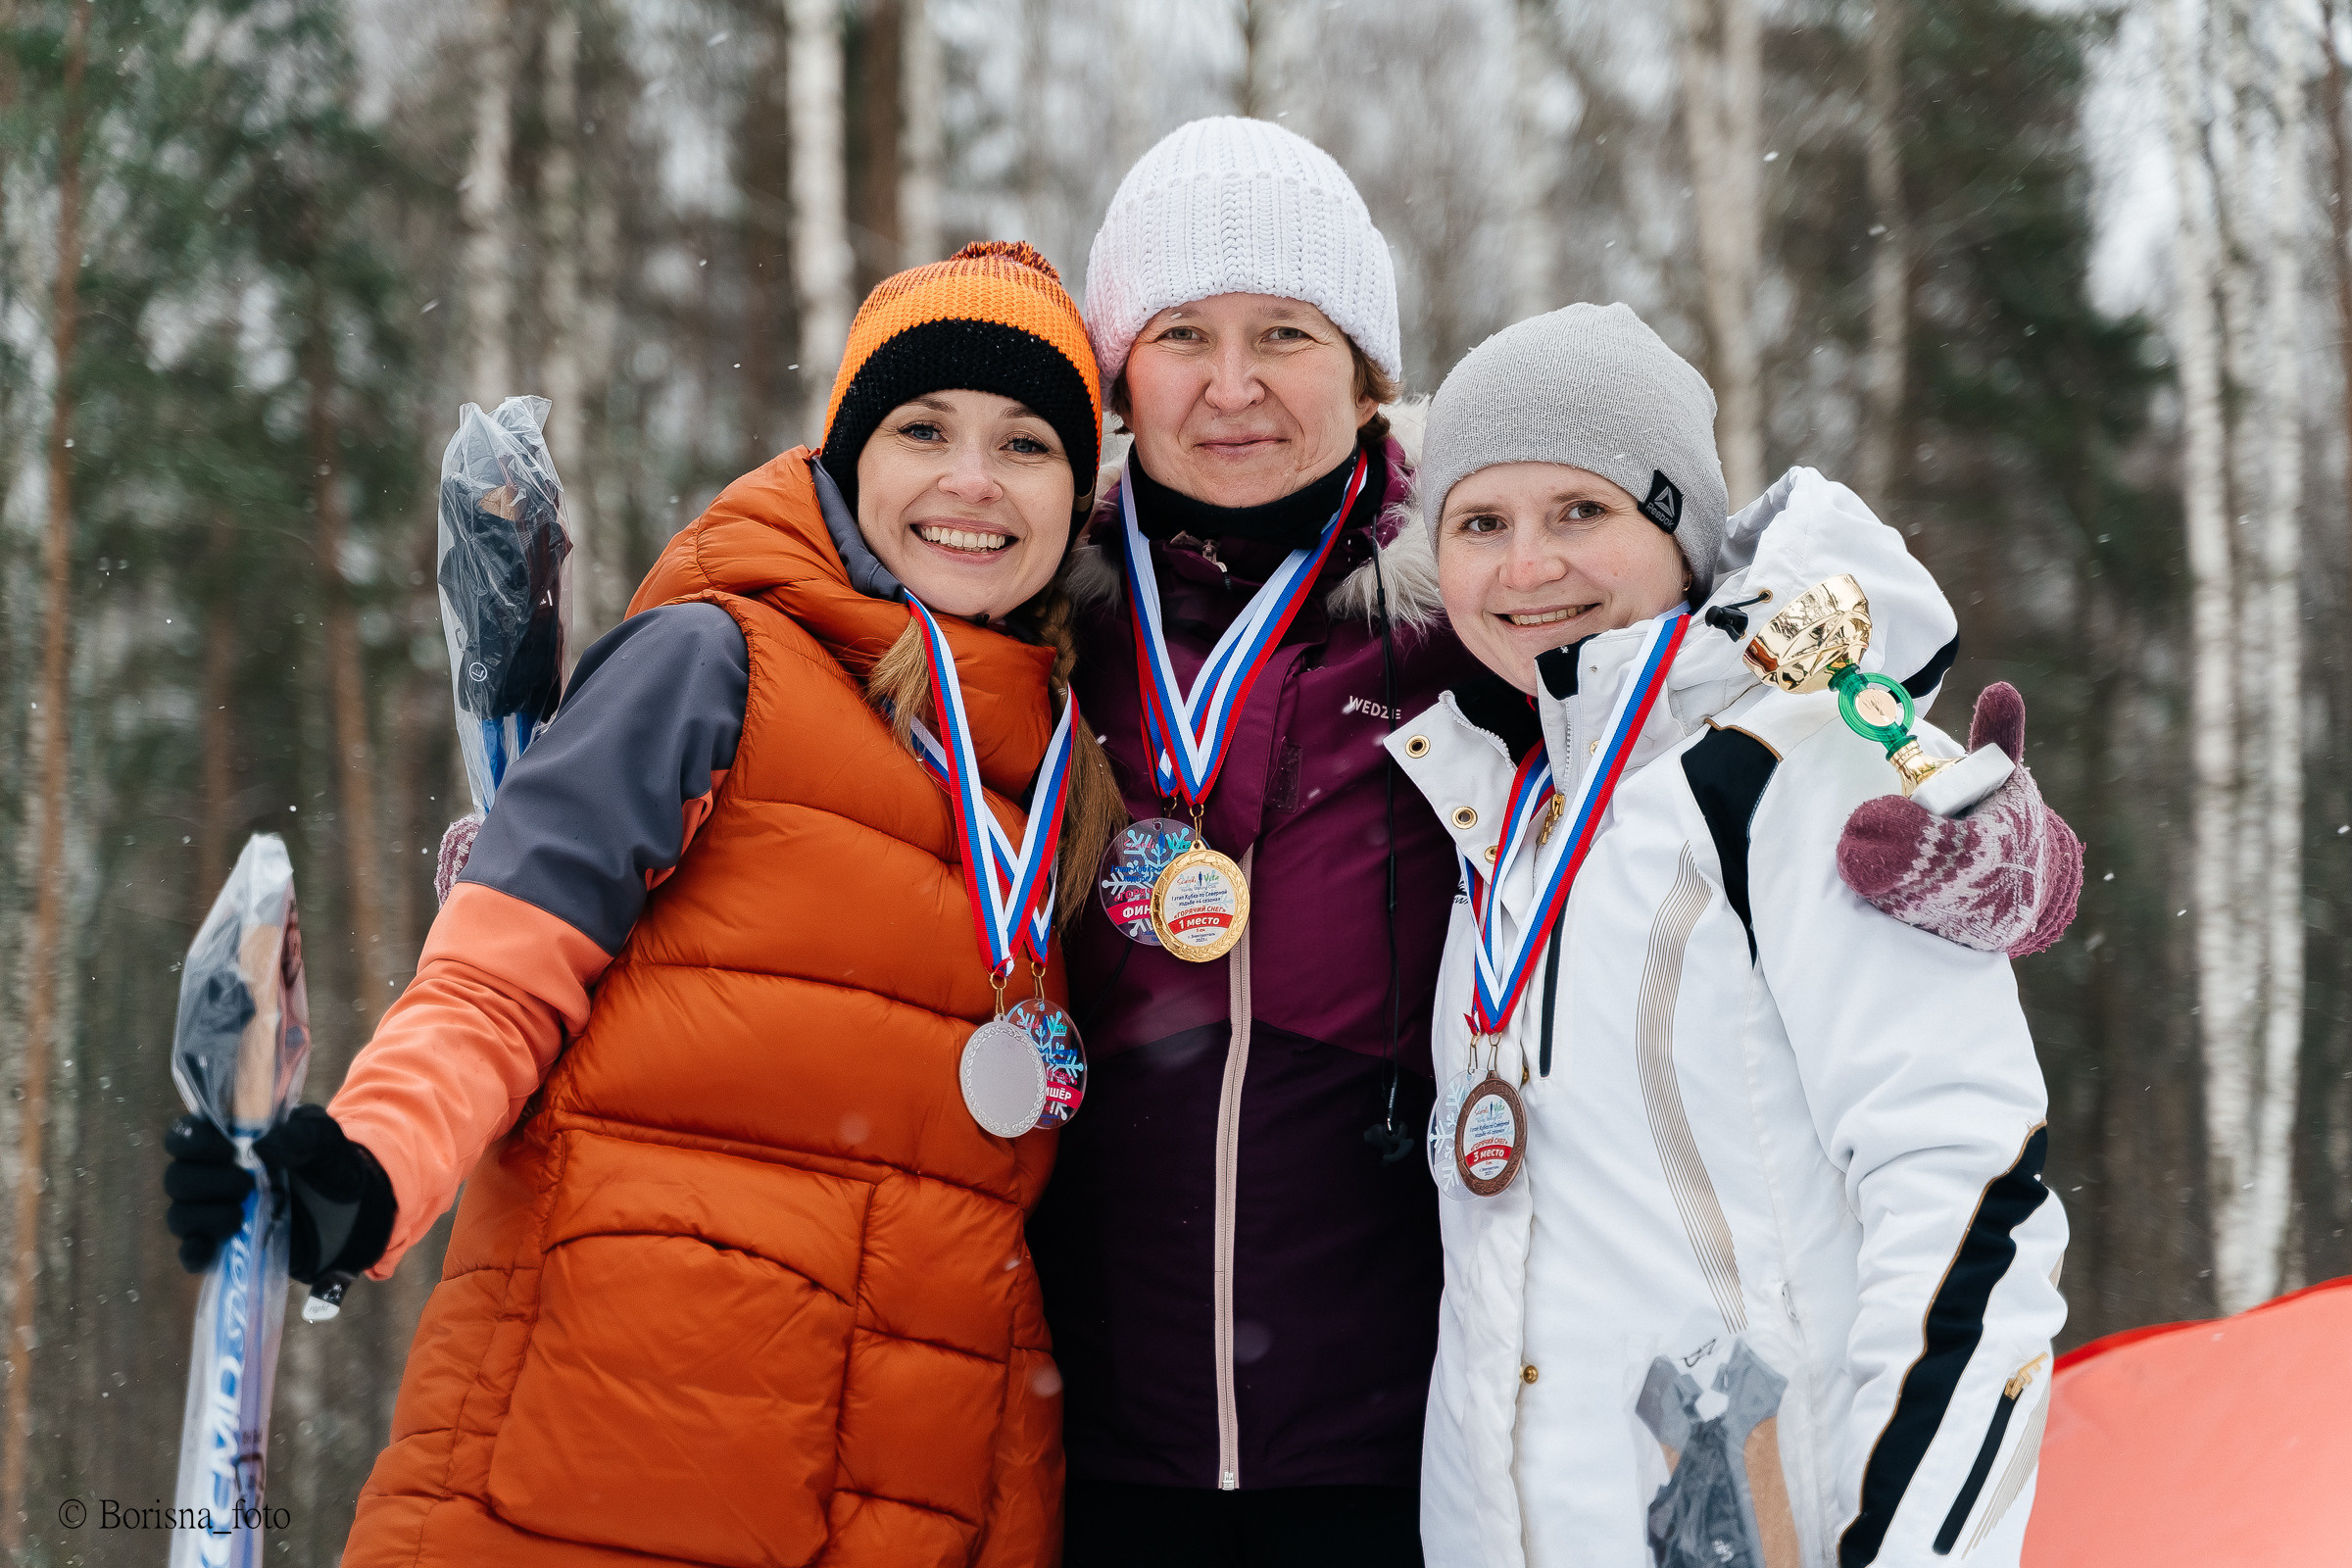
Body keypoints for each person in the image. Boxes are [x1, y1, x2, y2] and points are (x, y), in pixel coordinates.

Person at [161, 240, 1127, 1568]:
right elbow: (501, 974)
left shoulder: (1066, 781)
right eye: (923, 430)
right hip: (596, 1480)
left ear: (1080, 494)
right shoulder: (712, 661)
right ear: (849, 457)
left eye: (1026, 445)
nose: (971, 481)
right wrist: (365, 1171)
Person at [1395, 303, 2072, 1568]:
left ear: (1680, 534)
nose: (1527, 567)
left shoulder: (1796, 768)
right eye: (1482, 524)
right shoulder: (1511, 820)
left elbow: (1970, 1198)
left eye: (1581, 513)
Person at [1030, 118, 1485, 1566]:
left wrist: (1944, 823)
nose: (1233, 388)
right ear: (1120, 377)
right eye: (1182, 336)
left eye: (1285, 333)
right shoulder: (1024, 617)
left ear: (1365, 376)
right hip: (1074, 1441)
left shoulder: (1475, 613)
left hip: (1395, 1448)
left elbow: (1725, 744)